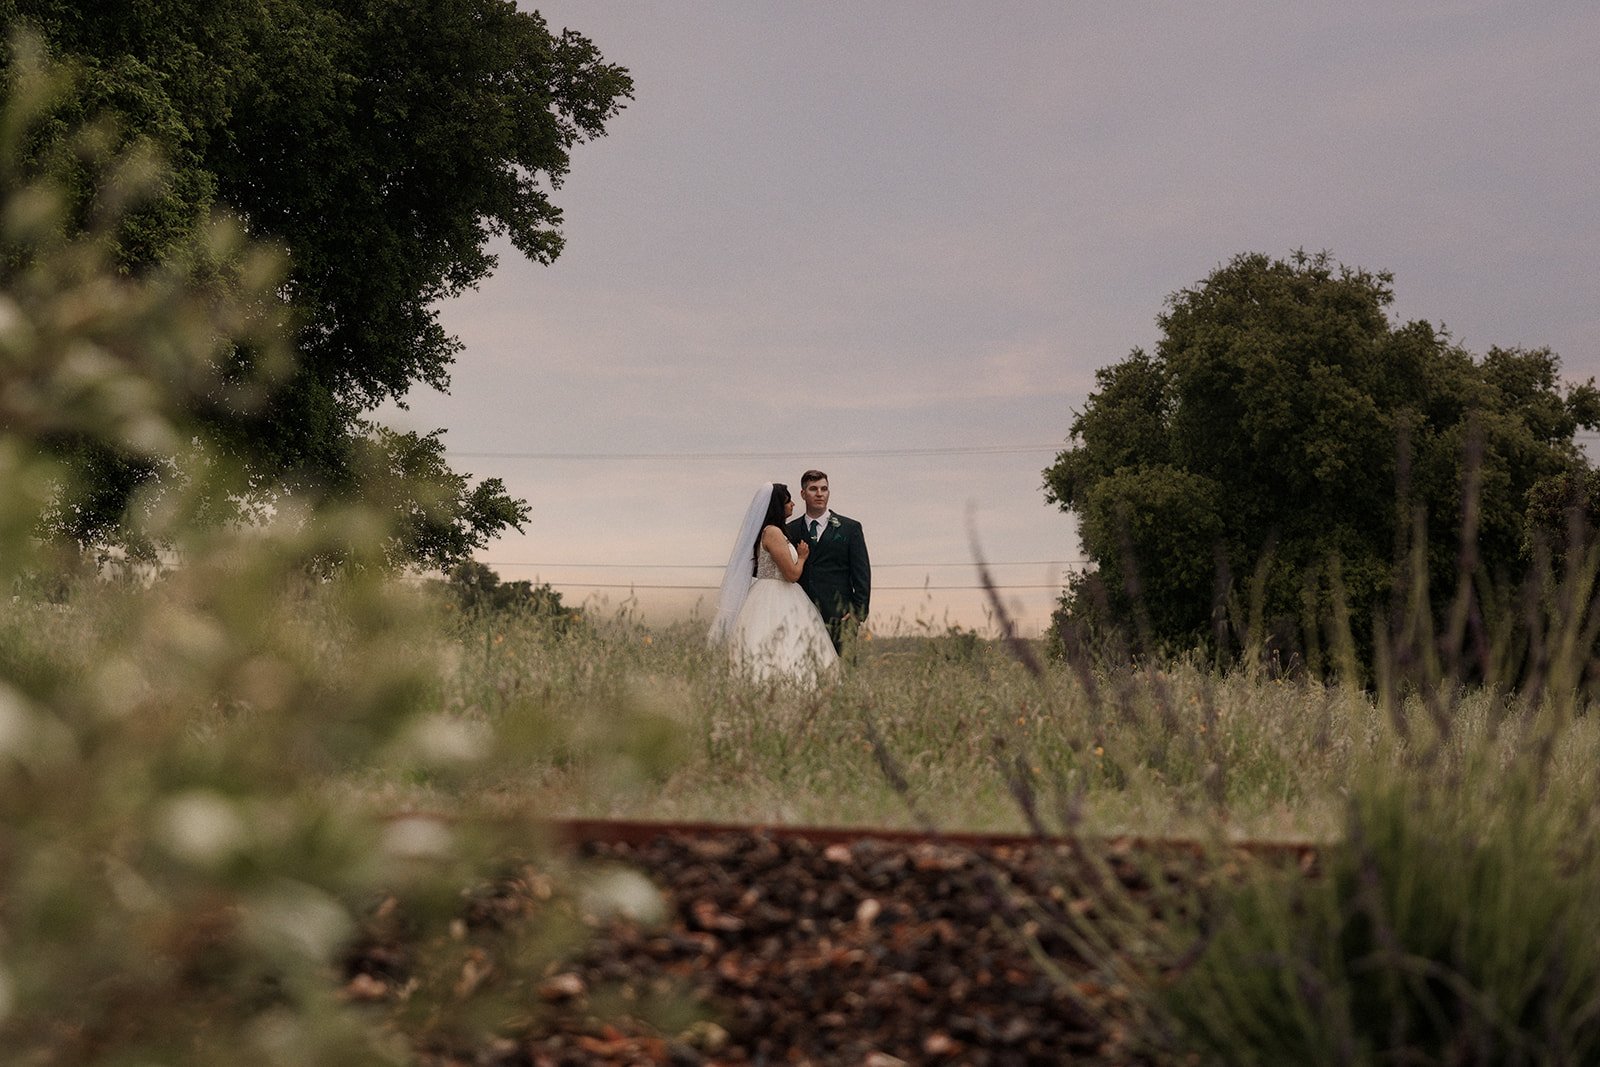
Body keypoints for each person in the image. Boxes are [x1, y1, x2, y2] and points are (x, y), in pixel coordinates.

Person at [708, 483, 839, 683]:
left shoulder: (770, 531)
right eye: (788, 501)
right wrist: (802, 557)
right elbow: (791, 574)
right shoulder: (773, 533)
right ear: (778, 506)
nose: (793, 504)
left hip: (770, 592)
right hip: (778, 593)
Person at [784, 469, 870, 653]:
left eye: (824, 489)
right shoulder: (790, 530)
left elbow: (862, 574)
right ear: (803, 494)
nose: (820, 493)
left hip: (841, 617)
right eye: (813, 489)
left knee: (843, 674)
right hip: (800, 615)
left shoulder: (850, 528)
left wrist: (857, 613)